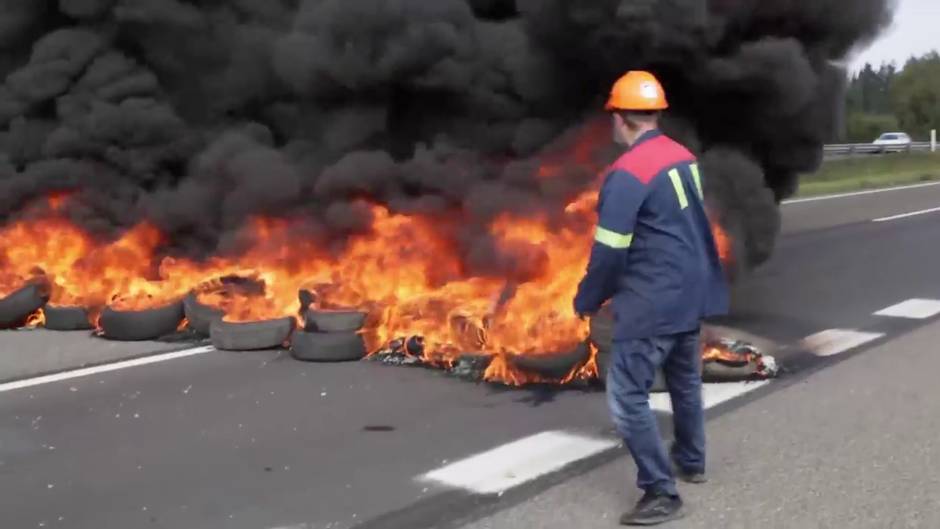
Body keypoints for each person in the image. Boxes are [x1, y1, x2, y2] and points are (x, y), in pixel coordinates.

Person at [573, 71, 729, 526]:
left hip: (652, 298)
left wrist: (588, 298)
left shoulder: (626, 173)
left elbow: (609, 251)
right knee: (684, 382)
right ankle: (693, 462)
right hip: (691, 290)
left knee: (627, 396)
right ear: (656, 114)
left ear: (619, 118)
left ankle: (661, 492)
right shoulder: (683, 157)